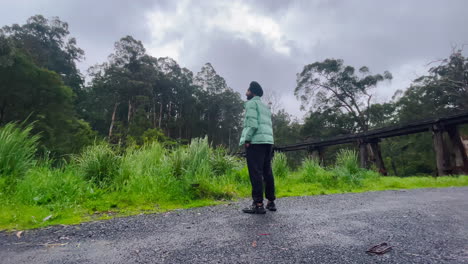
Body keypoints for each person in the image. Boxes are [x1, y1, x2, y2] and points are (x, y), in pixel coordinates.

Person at [239, 81, 276, 214]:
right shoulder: (265, 107)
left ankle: (258, 204)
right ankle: (271, 202)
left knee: (255, 172)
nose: (246, 93)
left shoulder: (251, 104)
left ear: (252, 91)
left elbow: (252, 125)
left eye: (247, 90)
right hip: (267, 141)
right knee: (267, 171)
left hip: (256, 142)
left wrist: (247, 139)